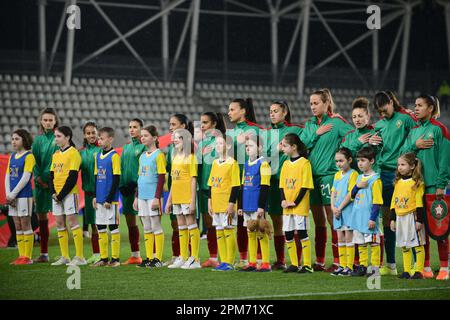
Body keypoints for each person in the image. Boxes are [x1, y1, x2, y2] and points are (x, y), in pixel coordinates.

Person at [300, 89, 353, 272]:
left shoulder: (337, 123)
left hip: (329, 176)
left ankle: (339, 261)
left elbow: (353, 134)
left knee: (333, 219)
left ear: (326, 103)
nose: (312, 106)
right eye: (311, 103)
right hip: (311, 177)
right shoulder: (309, 125)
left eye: (316, 103)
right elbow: (300, 146)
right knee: (318, 221)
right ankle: (320, 261)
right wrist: (316, 133)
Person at [400, 94, 450, 280]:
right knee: (419, 230)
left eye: (420, 105)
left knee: (440, 227)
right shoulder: (413, 131)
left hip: (433, 187)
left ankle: (445, 267)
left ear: (430, 108)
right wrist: (415, 144)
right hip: (415, 187)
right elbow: (403, 154)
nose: (416, 108)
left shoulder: (440, 130)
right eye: (415, 105)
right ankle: (425, 267)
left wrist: (441, 184)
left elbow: (445, 159)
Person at [369, 91, 417, 276]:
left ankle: (416, 265)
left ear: (391, 102)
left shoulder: (405, 118)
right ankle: (390, 265)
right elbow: (376, 149)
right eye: (379, 112)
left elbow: (416, 135)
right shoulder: (379, 125)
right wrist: (373, 142)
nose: (382, 114)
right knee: (389, 221)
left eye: (384, 109)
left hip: (403, 175)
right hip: (383, 175)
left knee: (409, 219)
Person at [266, 100, 304, 270]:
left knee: (295, 221)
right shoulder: (266, 133)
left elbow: (309, 139)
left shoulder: (295, 130)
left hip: (291, 184)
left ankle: (297, 261)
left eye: (275, 111)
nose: (272, 114)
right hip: (273, 182)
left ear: (285, 112)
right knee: (277, 222)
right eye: (270, 111)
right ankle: (281, 260)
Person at [227, 98, 264, 269]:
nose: (229, 112)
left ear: (243, 111)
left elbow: (266, 149)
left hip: (254, 181)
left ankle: (259, 259)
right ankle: (244, 259)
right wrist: (236, 142)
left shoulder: (256, 129)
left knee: (257, 221)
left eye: (232, 109)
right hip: (236, 180)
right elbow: (225, 153)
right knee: (240, 219)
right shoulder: (231, 133)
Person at [165, 127, 200, 269]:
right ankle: (184, 256)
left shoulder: (191, 157)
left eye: (177, 138)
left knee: (191, 225)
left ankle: (195, 258)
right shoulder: (175, 157)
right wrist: (169, 200)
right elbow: (173, 181)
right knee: (181, 227)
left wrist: (192, 200)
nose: (174, 140)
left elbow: (193, 180)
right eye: (174, 138)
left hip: (187, 197)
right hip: (177, 197)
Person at [49, 126, 85, 266]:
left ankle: (80, 257)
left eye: (58, 136)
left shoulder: (74, 153)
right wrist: (54, 193)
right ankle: (65, 256)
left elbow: (72, 177)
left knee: (72, 222)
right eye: (55, 136)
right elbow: (51, 175)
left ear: (67, 137)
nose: (56, 139)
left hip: (69, 194)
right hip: (56, 195)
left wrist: (60, 195)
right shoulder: (56, 154)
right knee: (59, 223)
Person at [279, 133, 314, 273]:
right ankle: (294, 264)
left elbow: (305, 186)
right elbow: (282, 185)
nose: (282, 148)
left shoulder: (305, 163)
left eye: (284, 145)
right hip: (287, 206)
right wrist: (283, 200)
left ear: (293, 147)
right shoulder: (286, 164)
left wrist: (295, 202)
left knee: (302, 233)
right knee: (287, 234)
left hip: (299, 205)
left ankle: (307, 265)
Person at [134, 125, 166, 268]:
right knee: (146, 226)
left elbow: (161, 177)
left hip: (153, 196)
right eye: (142, 136)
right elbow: (139, 177)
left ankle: (158, 259)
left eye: (146, 135)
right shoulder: (142, 156)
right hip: (142, 196)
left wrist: (157, 197)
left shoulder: (159, 155)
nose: (143, 137)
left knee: (155, 225)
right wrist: (136, 196)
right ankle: (148, 257)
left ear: (154, 138)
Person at [390, 153, 426, 279]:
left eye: (403, 164)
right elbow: (394, 202)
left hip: (412, 217)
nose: (399, 167)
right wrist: (393, 219)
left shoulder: (417, 183)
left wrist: (419, 220)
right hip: (400, 217)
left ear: (412, 166)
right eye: (398, 165)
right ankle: (406, 271)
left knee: (417, 244)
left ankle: (419, 271)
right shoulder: (398, 182)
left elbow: (419, 203)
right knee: (404, 244)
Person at [197, 112, 226, 268]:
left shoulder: (221, 141)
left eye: (205, 122)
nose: (202, 126)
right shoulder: (201, 144)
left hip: (219, 188)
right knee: (209, 224)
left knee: (223, 225)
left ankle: (228, 258)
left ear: (214, 124)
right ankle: (213, 258)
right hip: (203, 187)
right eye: (201, 122)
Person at [207, 134, 240, 271]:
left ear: (229, 146)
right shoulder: (215, 163)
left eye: (221, 143)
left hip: (227, 203)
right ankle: (223, 261)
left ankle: (229, 262)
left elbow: (235, 185)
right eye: (217, 144)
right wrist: (209, 201)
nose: (218, 146)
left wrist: (231, 204)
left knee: (228, 229)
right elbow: (211, 184)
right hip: (216, 203)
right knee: (219, 231)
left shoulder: (232, 163)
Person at [238, 136, 271, 272]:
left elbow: (265, 186)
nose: (247, 148)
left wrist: (261, 206)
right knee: (250, 233)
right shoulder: (246, 164)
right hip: (247, 205)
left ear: (260, 148)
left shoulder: (263, 164)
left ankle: (265, 263)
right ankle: (252, 263)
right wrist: (240, 206)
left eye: (250, 146)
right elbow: (242, 186)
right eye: (246, 146)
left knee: (261, 232)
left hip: (257, 205)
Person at [349, 147, 383, 277]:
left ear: (372, 161)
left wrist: (372, 218)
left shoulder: (375, 180)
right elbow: (352, 195)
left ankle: (374, 269)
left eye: (363, 160)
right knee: (361, 243)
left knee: (373, 243)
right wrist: (357, 186)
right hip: (357, 218)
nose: (360, 163)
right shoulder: (358, 177)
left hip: (369, 219)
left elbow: (377, 202)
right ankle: (362, 266)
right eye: (358, 161)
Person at [32, 108, 60, 263]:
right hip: (41, 184)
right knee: (42, 216)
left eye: (51, 120)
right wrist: (39, 179)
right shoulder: (38, 140)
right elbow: (34, 162)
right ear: (41, 122)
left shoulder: (59, 138)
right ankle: (44, 254)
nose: (48, 122)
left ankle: (66, 254)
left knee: (62, 218)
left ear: (55, 121)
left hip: (58, 184)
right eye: (45, 120)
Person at [90, 127, 121, 267]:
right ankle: (103, 258)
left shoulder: (114, 156)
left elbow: (116, 179)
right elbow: (97, 177)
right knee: (100, 227)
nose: (99, 140)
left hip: (110, 200)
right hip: (100, 199)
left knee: (113, 227)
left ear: (110, 139)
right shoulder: (97, 156)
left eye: (102, 138)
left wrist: (109, 199)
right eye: (99, 138)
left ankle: (115, 259)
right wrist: (96, 196)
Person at [5, 129, 36, 265]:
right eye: (12, 139)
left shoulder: (29, 156)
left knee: (25, 223)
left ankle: (27, 257)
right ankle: (21, 256)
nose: (13, 141)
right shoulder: (12, 156)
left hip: (24, 196)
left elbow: (26, 177)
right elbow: (7, 176)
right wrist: (8, 194)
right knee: (17, 225)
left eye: (16, 139)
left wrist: (13, 194)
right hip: (12, 196)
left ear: (24, 140)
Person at [119, 118, 146, 265]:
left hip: (140, 190)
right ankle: (135, 255)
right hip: (127, 191)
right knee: (130, 223)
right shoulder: (127, 148)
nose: (131, 129)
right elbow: (122, 168)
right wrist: (121, 185)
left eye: (135, 127)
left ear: (141, 129)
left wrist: (136, 185)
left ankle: (154, 256)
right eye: (130, 127)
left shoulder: (143, 147)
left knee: (146, 223)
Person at [330, 148, 358, 276]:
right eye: (336, 161)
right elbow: (333, 192)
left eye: (341, 161)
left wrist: (339, 208)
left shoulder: (353, 174)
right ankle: (342, 265)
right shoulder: (337, 175)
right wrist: (333, 207)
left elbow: (351, 193)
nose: (338, 164)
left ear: (350, 160)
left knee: (348, 237)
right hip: (337, 211)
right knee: (339, 237)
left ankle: (349, 266)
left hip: (347, 210)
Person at [79, 121, 102, 264]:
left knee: (101, 225)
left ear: (97, 133)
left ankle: (103, 254)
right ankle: (96, 254)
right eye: (88, 133)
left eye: (93, 132)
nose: (91, 135)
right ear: (84, 135)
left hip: (101, 193)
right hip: (88, 194)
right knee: (93, 224)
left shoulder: (102, 151)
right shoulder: (81, 153)